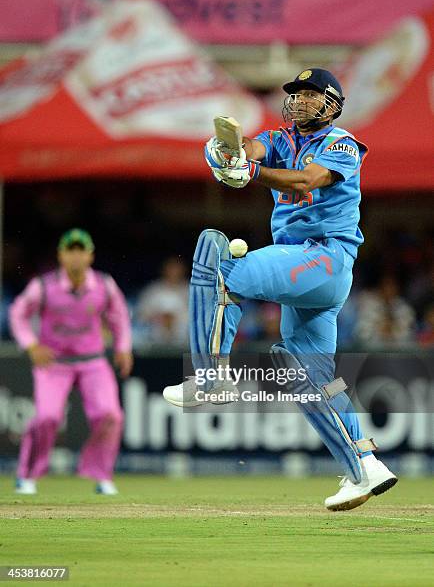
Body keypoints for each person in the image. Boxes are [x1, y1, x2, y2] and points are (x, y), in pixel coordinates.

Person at [163, 68, 398, 511]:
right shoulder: (280, 139)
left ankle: (209, 376)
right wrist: (224, 153)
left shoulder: (342, 143)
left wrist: (250, 171)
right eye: (297, 94)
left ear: (332, 103)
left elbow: (307, 180)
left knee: (216, 258)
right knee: (310, 377)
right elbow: (250, 147)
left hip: (323, 258)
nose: (301, 101)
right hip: (307, 272)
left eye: (311, 94)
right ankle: (365, 466)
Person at [9, 229, 133, 495]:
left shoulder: (103, 284)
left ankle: (101, 475)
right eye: (70, 250)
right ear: (61, 255)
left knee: (110, 415)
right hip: (55, 362)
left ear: (90, 256)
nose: (76, 257)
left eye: (81, 250)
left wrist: (123, 348)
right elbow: (18, 313)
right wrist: (31, 345)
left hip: (93, 361)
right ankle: (27, 475)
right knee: (46, 417)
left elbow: (119, 317)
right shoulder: (43, 286)